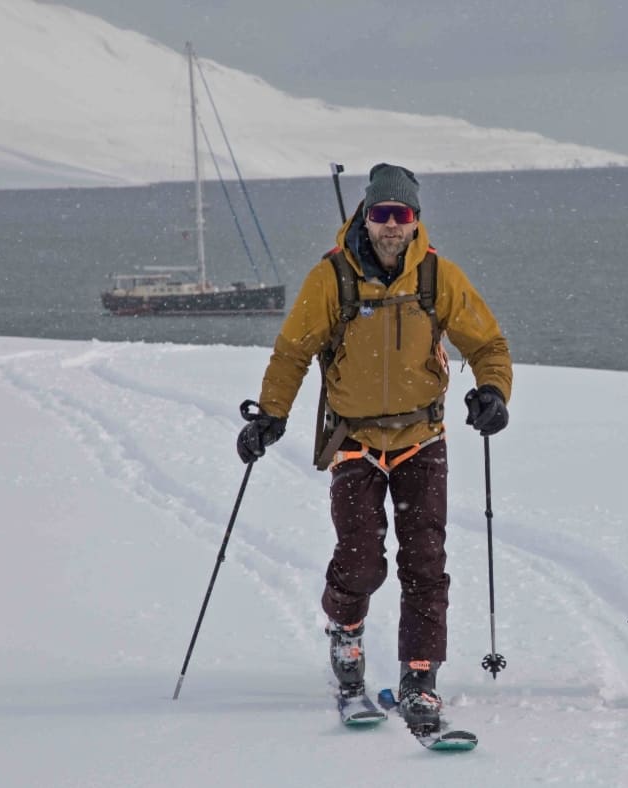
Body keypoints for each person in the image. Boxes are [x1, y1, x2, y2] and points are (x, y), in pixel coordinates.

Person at [237, 163, 513, 734]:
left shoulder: (437, 278)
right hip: (354, 441)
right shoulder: (332, 278)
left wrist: (492, 392)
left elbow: (487, 342)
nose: (391, 226)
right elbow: (291, 353)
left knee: (425, 563)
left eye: (402, 216)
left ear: (416, 221)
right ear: (366, 213)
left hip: (422, 439)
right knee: (361, 559)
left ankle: (420, 675)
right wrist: (270, 417)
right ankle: (346, 630)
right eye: (382, 214)